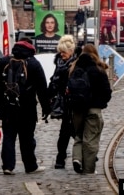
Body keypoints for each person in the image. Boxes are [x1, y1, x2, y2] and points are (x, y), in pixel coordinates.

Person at [0, 39, 50, 175]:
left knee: (8, 136)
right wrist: (46, 109)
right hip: (27, 107)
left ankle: (8, 166)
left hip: (7, 106)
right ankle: (30, 165)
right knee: (27, 138)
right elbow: (42, 88)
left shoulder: (5, 61)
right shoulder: (34, 64)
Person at [69, 44, 112, 175]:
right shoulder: (99, 69)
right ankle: (88, 170)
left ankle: (77, 159)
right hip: (94, 109)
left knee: (79, 136)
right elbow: (107, 91)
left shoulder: (74, 68)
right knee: (91, 140)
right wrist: (101, 102)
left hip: (77, 109)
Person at [47, 35, 78, 169]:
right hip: (63, 102)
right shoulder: (59, 63)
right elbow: (54, 81)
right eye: (60, 51)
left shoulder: (76, 64)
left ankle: (84, 153)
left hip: (74, 102)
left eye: (64, 52)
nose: (61, 54)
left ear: (71, 52)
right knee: (66, 131)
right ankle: (61, 157)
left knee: (71, 130)